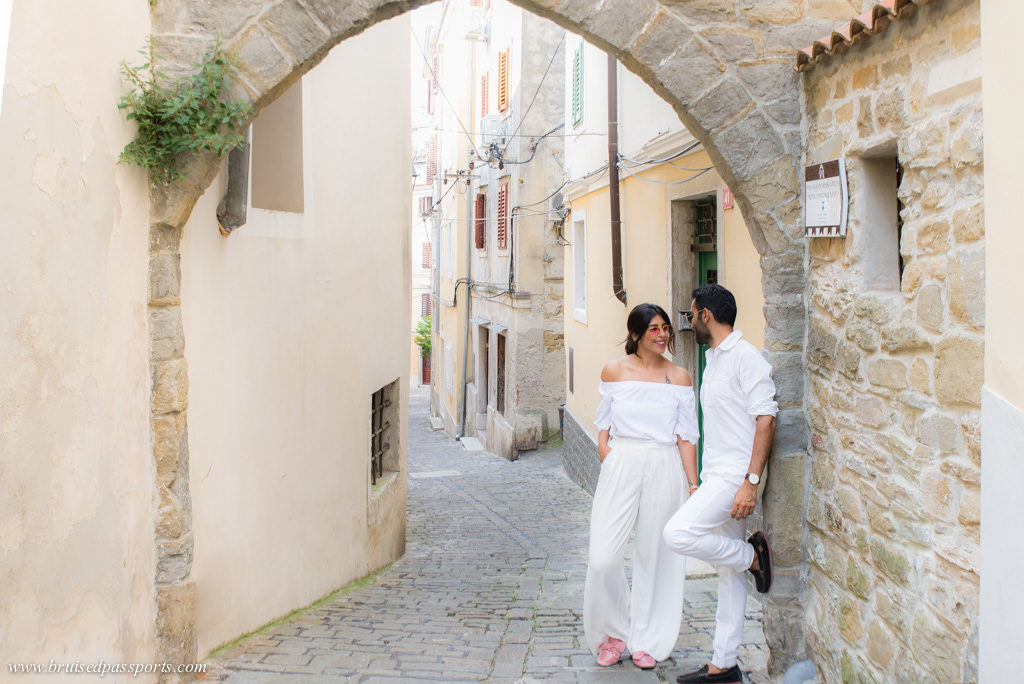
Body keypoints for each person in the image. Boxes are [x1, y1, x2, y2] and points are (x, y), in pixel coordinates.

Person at [662, 284, 777, 684]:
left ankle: (754, 558)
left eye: (692, 314)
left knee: (677, 533)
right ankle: (723, 666)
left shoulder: (747, 358)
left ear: (706, 314)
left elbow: (766, 418)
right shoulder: (713, 360)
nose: (690, 321)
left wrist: (750, 482)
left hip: (734, 478)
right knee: (728, 577)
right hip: (716, 473)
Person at [583, 303, 700, 670]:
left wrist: (694, 485)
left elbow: (686, 437)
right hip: (623, 462)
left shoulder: (679, 377)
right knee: (604, 558)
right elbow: (604, 420)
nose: (663, 334)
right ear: (635, 334)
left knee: (656, 555)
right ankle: (612, 634)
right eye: (653, 329)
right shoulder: (613, 371)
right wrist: (608, 454)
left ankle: (648, 638)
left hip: (665, 463)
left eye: (665, 327)